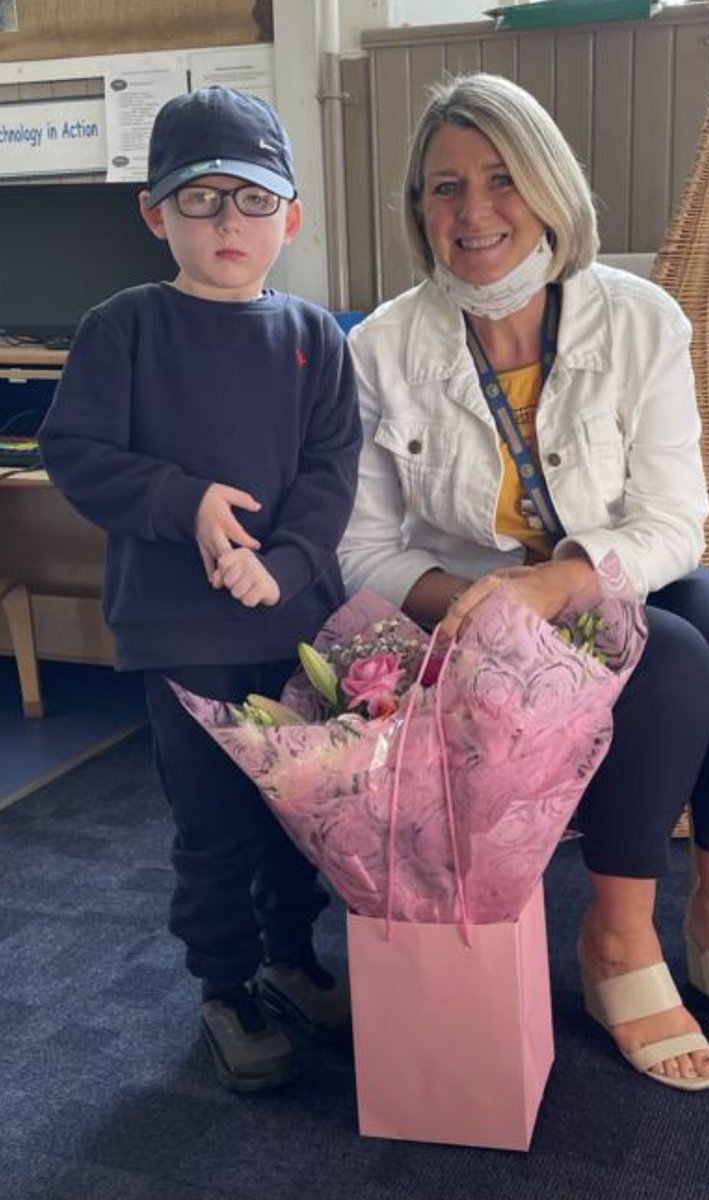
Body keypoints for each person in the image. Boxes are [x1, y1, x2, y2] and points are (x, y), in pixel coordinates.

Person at [338, 73, 709, 1091]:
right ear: (418, 210)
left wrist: (562, 585)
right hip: (469, 602)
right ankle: (617, 937)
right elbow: (364, 549)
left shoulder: (642, 320)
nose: (474, 211)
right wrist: (479, 602)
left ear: (551, 186)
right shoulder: (379, 348)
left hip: (606, 570)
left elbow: (675, 521)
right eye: (444, 187)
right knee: (671, 660)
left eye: (502, 178)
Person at [39, 85, 362, 1093]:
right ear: (155, 214)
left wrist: (287, 564)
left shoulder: (316, 335)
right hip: (180, 634)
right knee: (215, 825)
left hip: (296, 625)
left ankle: (289, 959)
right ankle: (224, 986)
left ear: (291, 218)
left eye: (253, 200)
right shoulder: (122, 326)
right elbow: (74, 451)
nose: (229, 222)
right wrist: (183, 504)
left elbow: (330, 474)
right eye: (201, 199)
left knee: (296, 815)